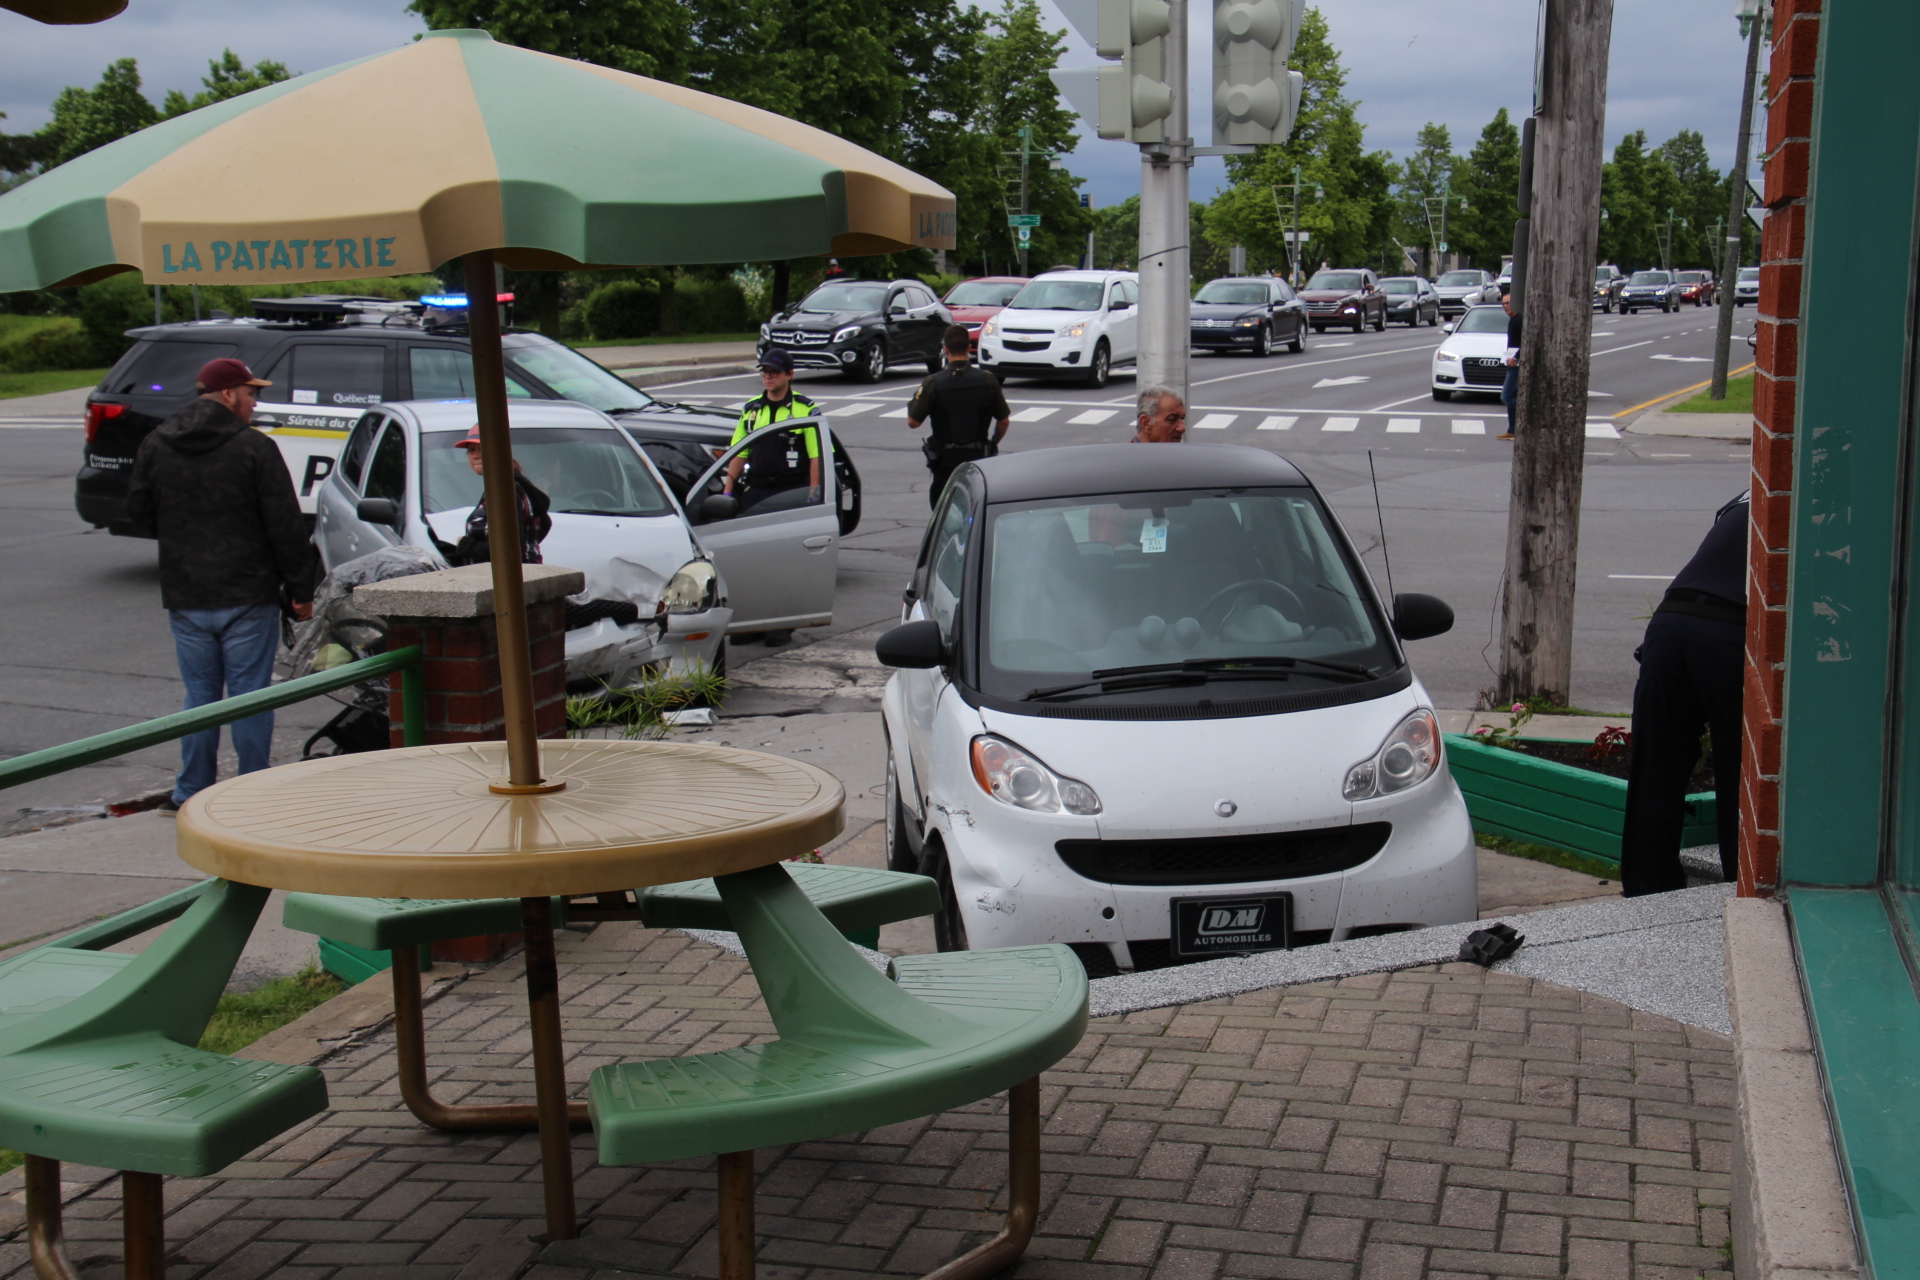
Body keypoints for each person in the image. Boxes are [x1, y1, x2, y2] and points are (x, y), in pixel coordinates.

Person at [125, 357, 320, 812]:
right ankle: (251, 791)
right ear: (229, 394)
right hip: (246, 593)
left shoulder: (157, 442)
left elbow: (138, 509)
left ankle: (191, 790)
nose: (255, 403)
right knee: (251, 695)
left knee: (200, 697)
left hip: (186, 592)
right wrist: (302, 589)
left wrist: (181, 533)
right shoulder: (254, 449)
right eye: (251, 394)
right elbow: (285, 525)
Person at [1620, 492, 1747, 897]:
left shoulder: (1742, 499)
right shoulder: (1805, 511)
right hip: (1730, 628)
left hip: (1671, 622)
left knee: (1656, 764)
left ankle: (1646, 887)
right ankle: (1737, 887)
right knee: (1741, 767)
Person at [907, 324, 1010, 509]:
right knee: (976, 507)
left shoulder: (934, 382)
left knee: (943, 511)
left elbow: (913, 421)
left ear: (945, 349)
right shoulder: (987, 380)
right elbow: (1003, 420)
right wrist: (993, 442)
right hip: (978, 457)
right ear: (969, 348)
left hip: (945, 461)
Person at [724, 348, 821, 514]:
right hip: (756, 490)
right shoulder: (751, 409)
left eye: (774, 372)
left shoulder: (806, 410)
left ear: (789, 374)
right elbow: (739, 453)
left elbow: (816, 456)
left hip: (791, 491)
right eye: (764, 372)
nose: (768, 376)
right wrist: (728, 491)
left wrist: (814, 493)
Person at [441, 427, 552, 566]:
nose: (476, 455)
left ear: (501, 451)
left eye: (482, 448)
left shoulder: (504, 490)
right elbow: (544, 523)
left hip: (510, 582)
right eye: (471, 450)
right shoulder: (510, 483)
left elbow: (507, 548)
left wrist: (466, 545)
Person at [1498, 283, 1521, 441]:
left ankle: (1523, 421)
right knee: (1511, 395)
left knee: (1506, 396)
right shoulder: (1512, 320)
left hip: (1517, 364)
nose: (1505, 306)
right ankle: (1512, 429)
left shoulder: (1519, 319)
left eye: (1508, 303)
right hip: (1512, 361)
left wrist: (1516, 358)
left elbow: (1526, 342)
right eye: (1504, 304)